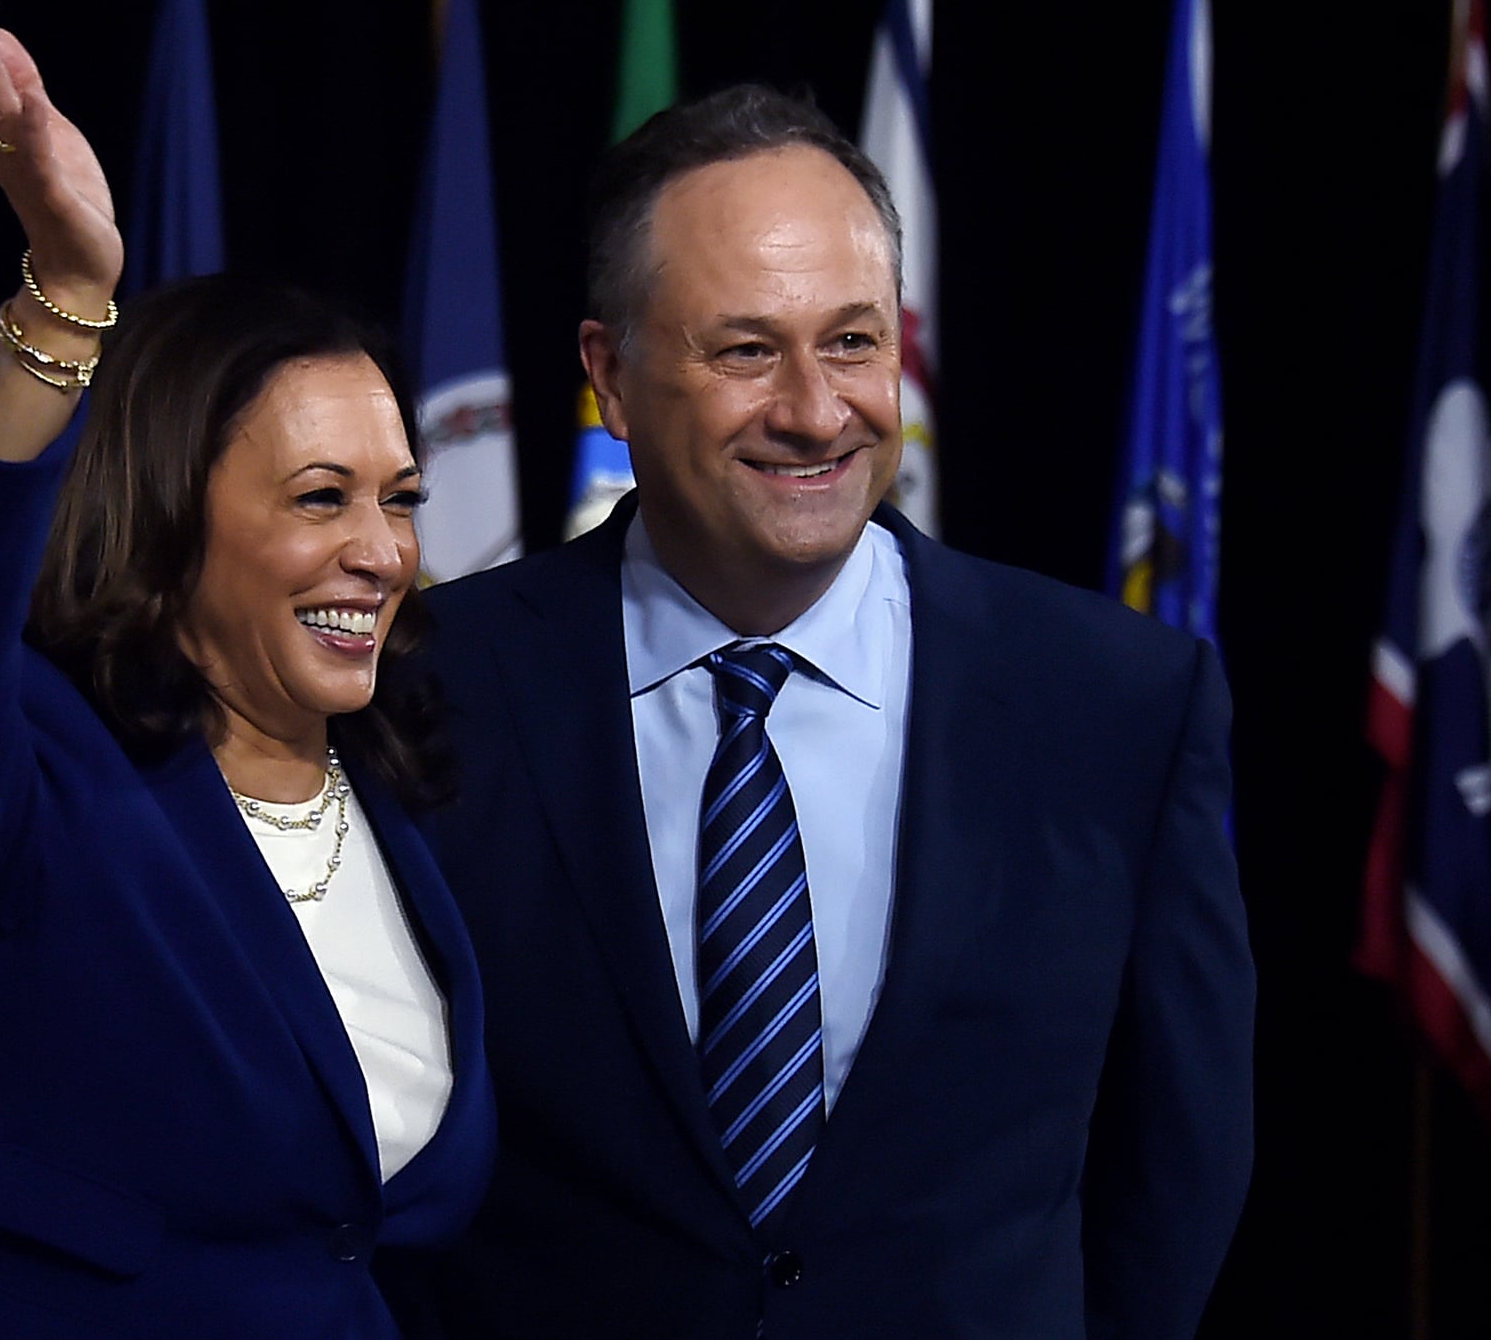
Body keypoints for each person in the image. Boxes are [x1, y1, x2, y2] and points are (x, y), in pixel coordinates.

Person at [409, 84, 1255, 1338]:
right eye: (745, 350)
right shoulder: (429, 685)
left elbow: (1176, 1163)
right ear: (611, 377)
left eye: (853, 343)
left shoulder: (1115, 700)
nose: (815, 410)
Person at [0, 0, 492, 1339]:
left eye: (399, 498)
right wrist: (63, 297)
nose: (380, 548)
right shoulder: (37, 792)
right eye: (318, 498)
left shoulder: (404, 803)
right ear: (174, 521)